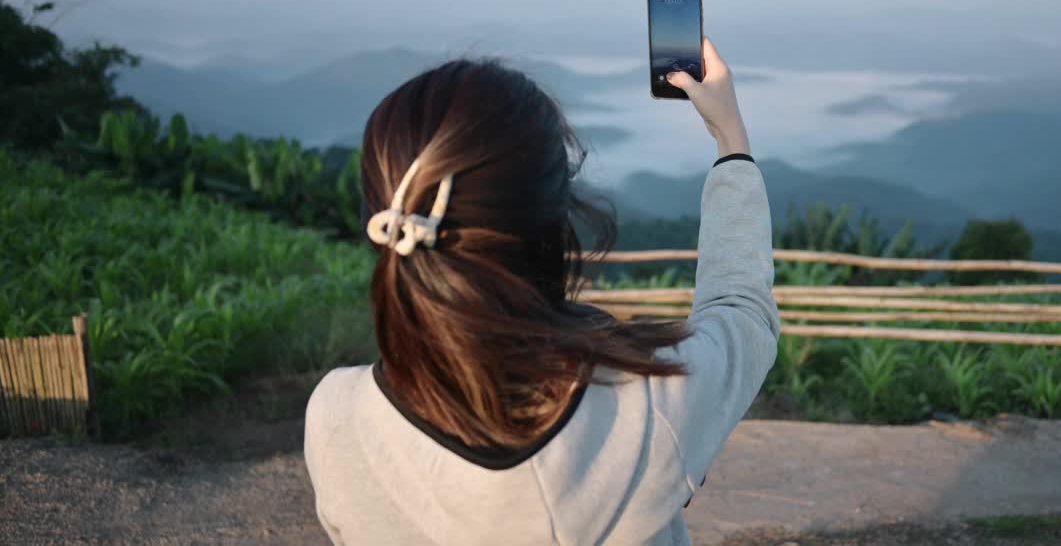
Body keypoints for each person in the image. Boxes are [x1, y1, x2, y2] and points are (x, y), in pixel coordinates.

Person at [304, 37, 778, 545]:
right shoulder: (651, 404)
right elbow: (743, 309)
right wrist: (730, 137)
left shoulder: (337, 420)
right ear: (554, 222)